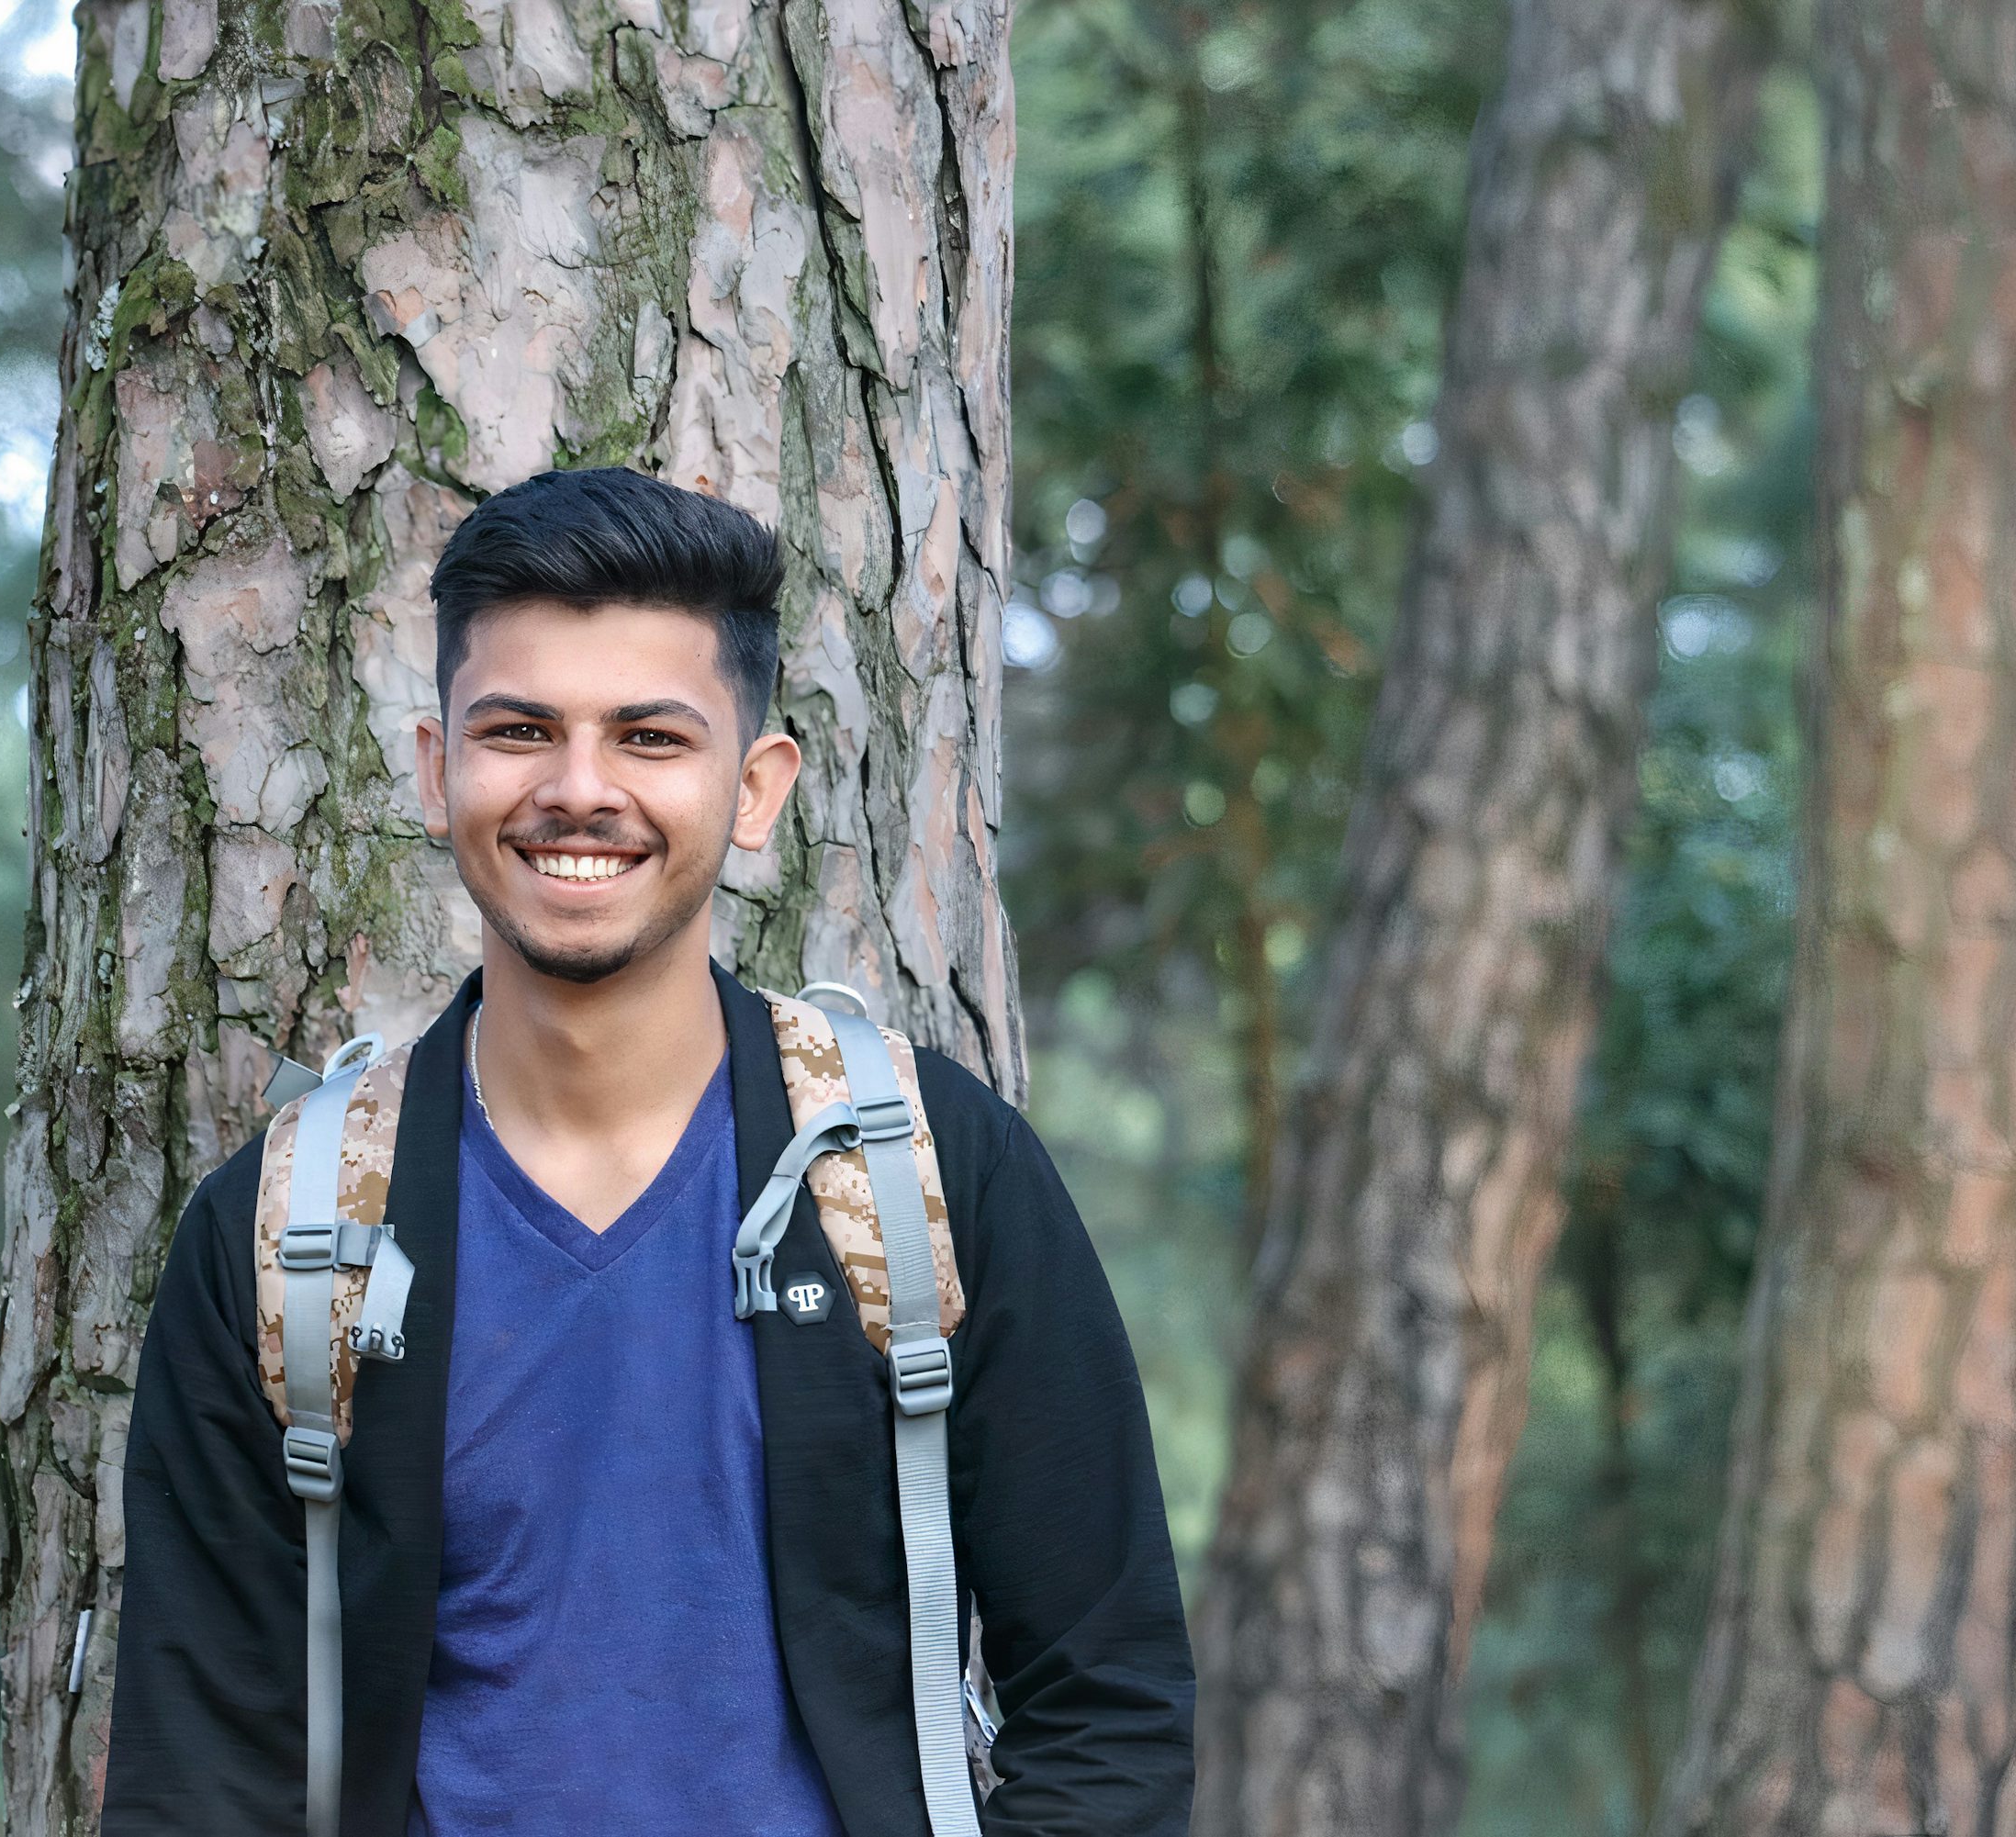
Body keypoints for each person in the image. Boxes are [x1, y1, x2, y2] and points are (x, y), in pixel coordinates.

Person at [100, 467, 1196, 1836]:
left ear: (756, 788)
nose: (579, 789)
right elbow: (194, 1782)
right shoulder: (284, 1229)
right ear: (439, 770)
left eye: (650, 737)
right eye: (519, 730)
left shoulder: (926, 1175)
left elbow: (1112, 1704)